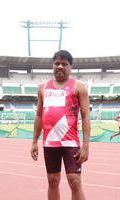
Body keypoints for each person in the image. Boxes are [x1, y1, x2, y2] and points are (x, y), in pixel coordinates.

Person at [31, 50, 91, 200]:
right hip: (50, 143)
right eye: (57, 63)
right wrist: (34, 142)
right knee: (52, 181)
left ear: (70, 67)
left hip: (70, 142)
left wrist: (86, 145)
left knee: (75, 181)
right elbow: (39, 115)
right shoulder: (43, 88)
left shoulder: (79, 87)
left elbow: (85, 116)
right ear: (53, 65)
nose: (59, 66)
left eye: (64, 64)